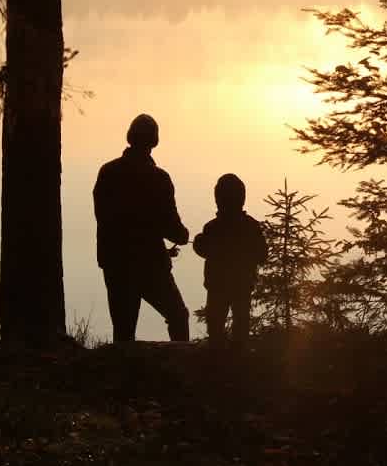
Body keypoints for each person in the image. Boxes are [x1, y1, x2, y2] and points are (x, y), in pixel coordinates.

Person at [93, 114, 190, 342]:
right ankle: (181, 367)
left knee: (124, 331)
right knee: (178, 315)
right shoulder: (159, 178)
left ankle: (123, 375)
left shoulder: (107, 172)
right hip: (151, 265)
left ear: (130, 137)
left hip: (115, 264)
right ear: (154, 141)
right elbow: (171, 227)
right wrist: (183, 235)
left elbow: (103, 218)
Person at [193, 173, 267, 348]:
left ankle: (217, 359)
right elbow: (262, 254)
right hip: (242, 284)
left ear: (218, 199)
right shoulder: (251, 226)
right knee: (241, 323)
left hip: (217, 285)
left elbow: (204, 249)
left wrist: (198, 241)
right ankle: (239, 359)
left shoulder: (212, 227)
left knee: (215, 326)